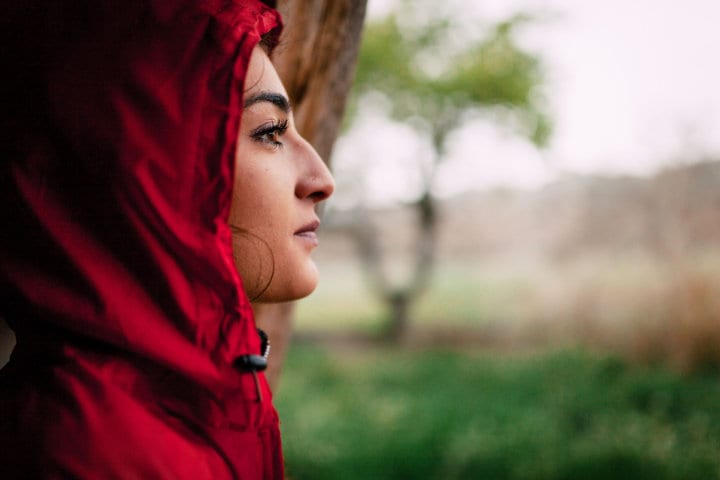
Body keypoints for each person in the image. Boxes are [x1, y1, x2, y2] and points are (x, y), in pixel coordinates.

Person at [0, 1, 333, 478]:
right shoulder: (79, 454)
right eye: (269, 131)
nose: (322, 178)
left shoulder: (181, 413)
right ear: (146, 173)